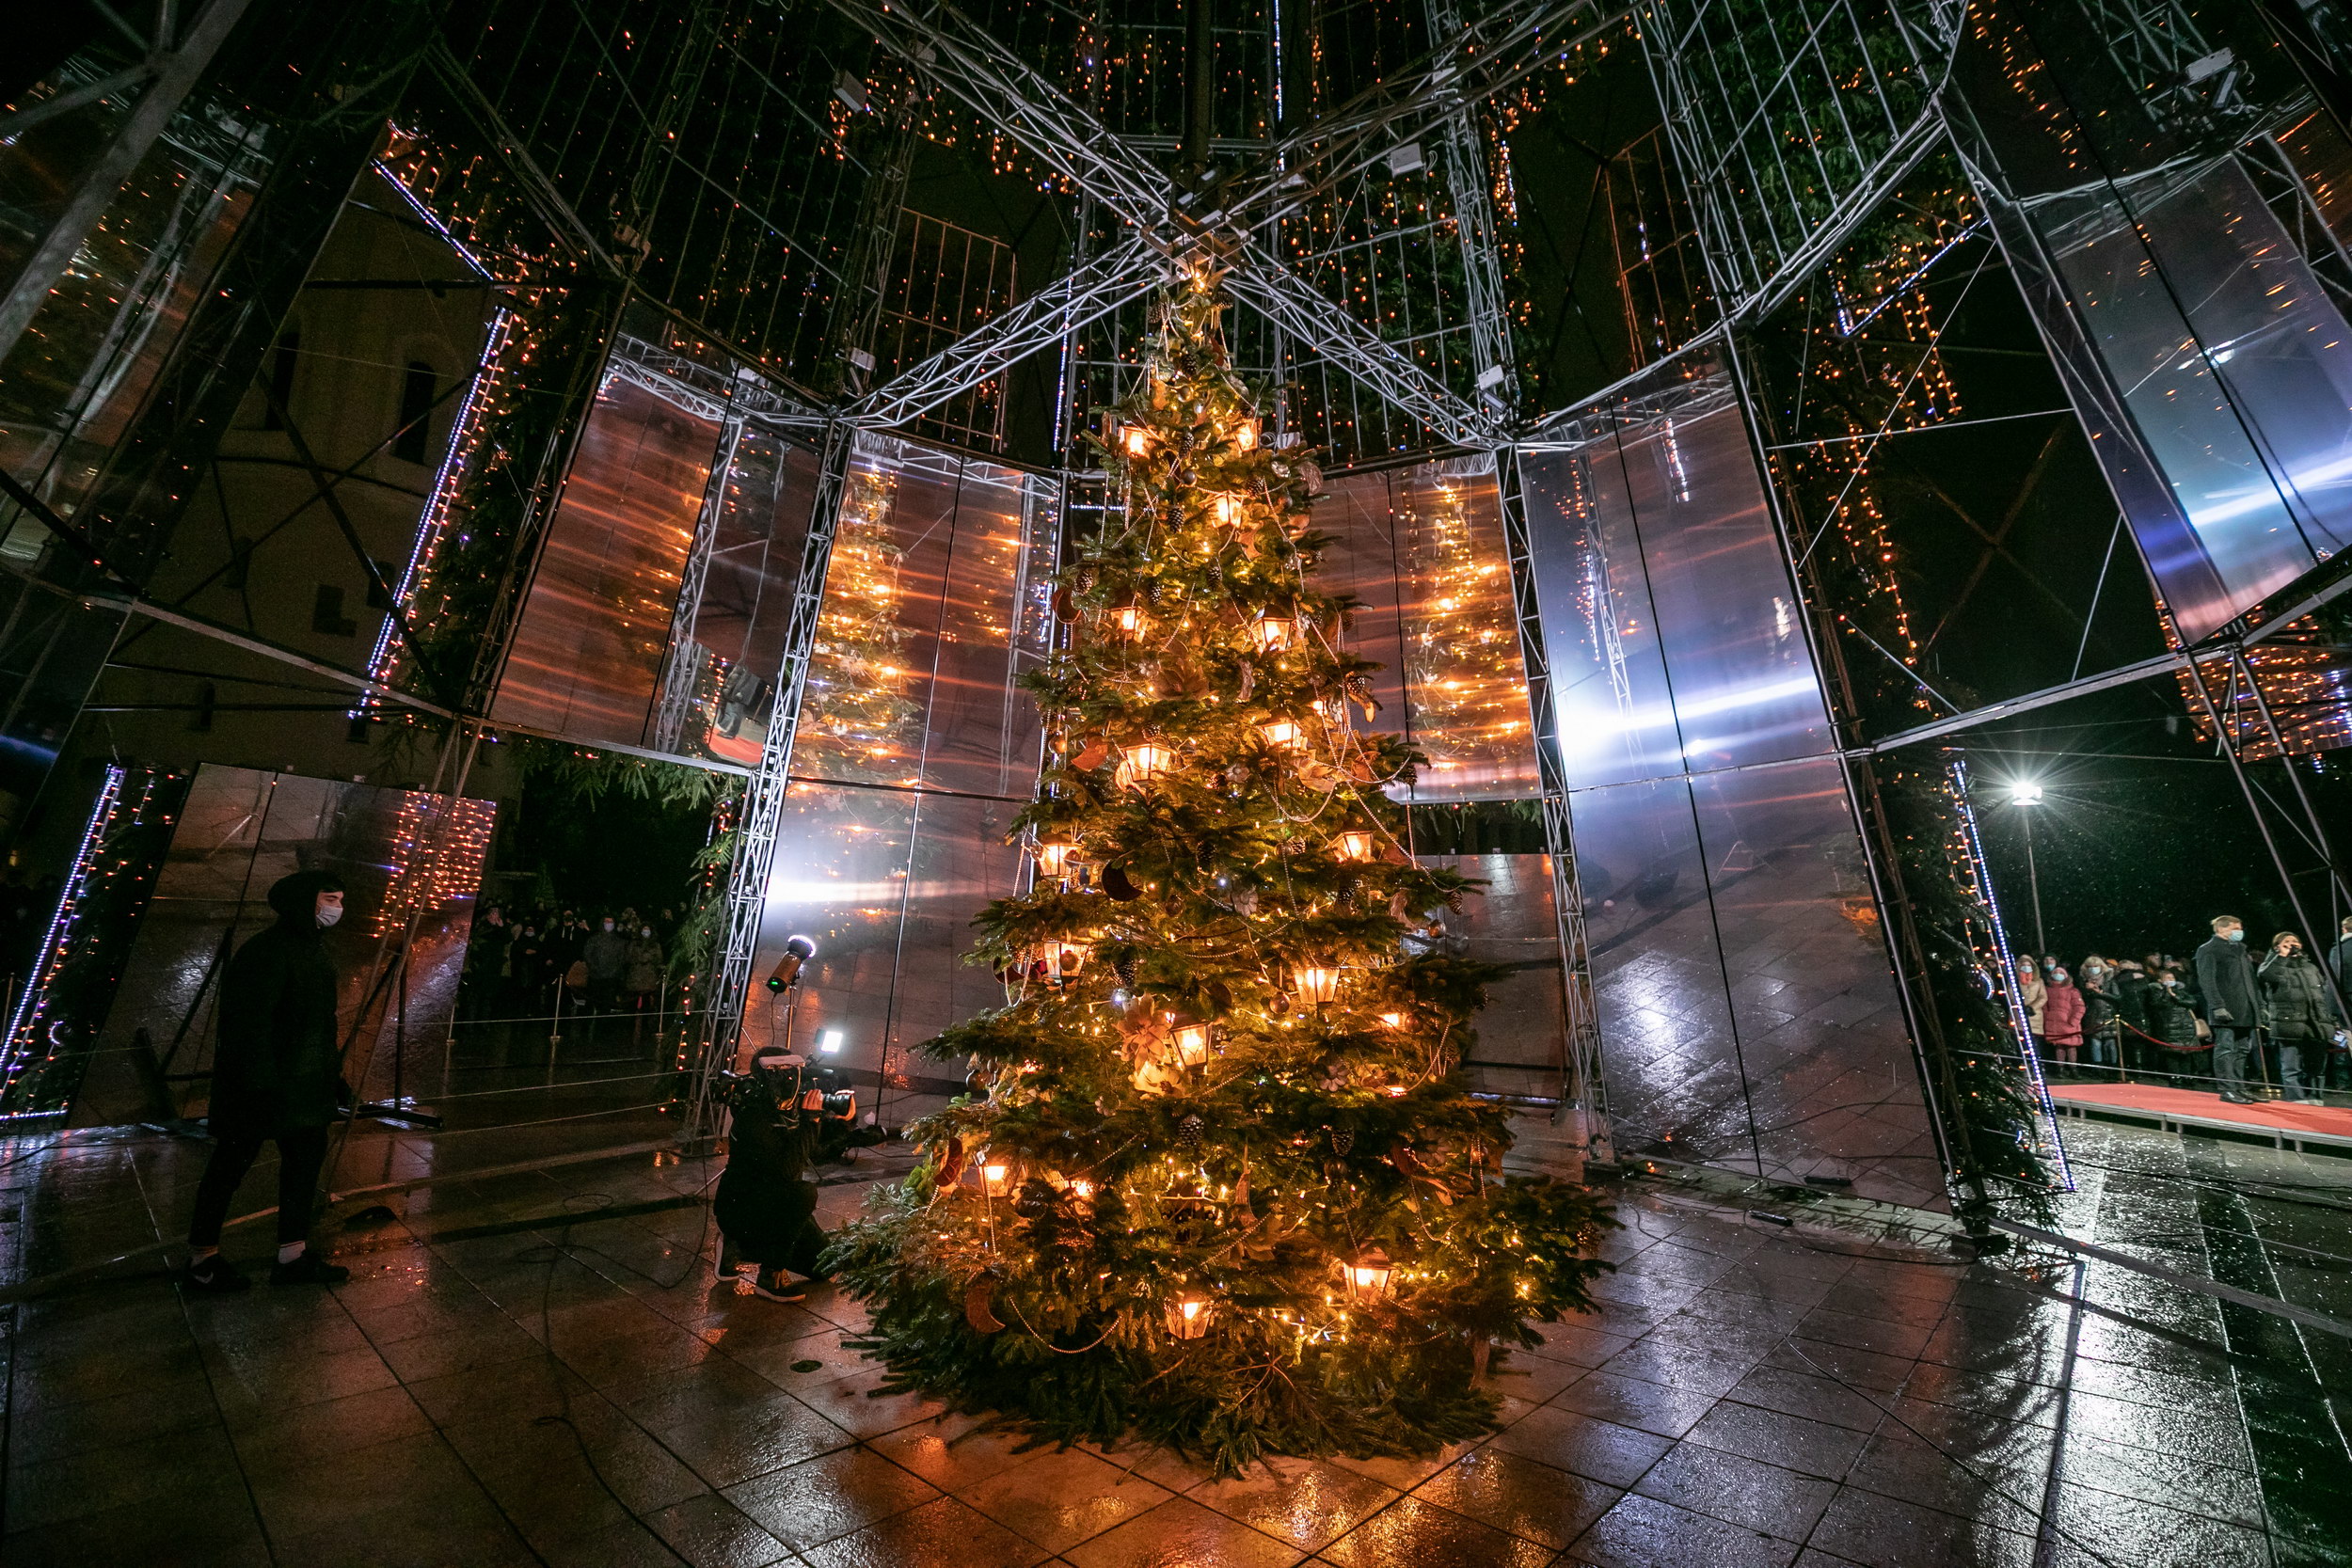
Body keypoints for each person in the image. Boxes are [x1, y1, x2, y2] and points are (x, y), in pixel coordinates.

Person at [183, 870, 354, 1291]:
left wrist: (332, 1076)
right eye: (330, 899)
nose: (337, 908)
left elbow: (320, 1024)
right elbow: (249, 1025)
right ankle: (202, 1260)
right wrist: (259, 1083)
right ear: (305, 902)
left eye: (339, 900)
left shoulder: (313, 949)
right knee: (229, 1167)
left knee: (303, 1168)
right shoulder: (267, 951)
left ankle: (292, 1256)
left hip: (304, 1086)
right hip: (265, 1088)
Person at [714, 1045, 834, 1301]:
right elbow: (787, 1169)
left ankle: (739, 1250)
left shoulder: (788, 1109)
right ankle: (770, 1274)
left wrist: (839, 1123)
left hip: (777, 1204)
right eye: (787, 1074)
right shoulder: (753, 1116)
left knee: (826, 1267)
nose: (794, 1081)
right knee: (803, 1193)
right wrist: (810, 1121)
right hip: (743, 1209)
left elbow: (815, 1150)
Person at [2195, 915, 2263, 1105]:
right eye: (2235, 928)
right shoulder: (2208, 949)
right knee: (2225, 1049)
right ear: (2221, 929)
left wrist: (2259, 1005)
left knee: (2242, 1049)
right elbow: (2207, 981)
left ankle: (2239, 1087)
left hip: (2245, 1008)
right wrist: (2217, 1005)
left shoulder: (2240, 950)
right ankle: (2227, 1089)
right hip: (2226, 1008)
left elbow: (2251, 981)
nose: (2239, 932)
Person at [2258, 931, 2331, 1105]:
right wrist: (2281, 957)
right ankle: (2296, 1099)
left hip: (2315, 1022)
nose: (2292, 943)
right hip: (2288, 1021)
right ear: (2277, 946)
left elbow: (2323, 993)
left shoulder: (2310, 967)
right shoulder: (2272, 965)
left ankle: (2315, 1097)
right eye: (2286, 941)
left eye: (2295, 941)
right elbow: (2266, 975)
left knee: (2316, 1065)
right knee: (2291, 1065)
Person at [2140, 967, 2205, 1087]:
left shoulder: (2181, 991)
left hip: (2186, 1026)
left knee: (2186, 1053)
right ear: (2160, 980)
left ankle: (2187, 1077)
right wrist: (2167, 993)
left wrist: (2175, 996)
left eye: (2172, 978)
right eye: (2168, 978)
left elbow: (2192, 1003)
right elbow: (2158, 1005)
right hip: (2169, 1027)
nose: (2171, 980)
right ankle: (2175, 1078)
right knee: (2172, 1054)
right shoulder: (2155, 992)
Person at [2079, 956, 2123, 1079]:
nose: (2093, 969)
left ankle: (2113, 1068)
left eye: (2096, 966)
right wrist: (2087, 990)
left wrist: (2101, 993)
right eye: (2090, 967)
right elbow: (2082, 998)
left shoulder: (2110, 980)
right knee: (2095, 1043)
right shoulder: (2083, 981)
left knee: (2110, 1043)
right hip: (2093, 1015)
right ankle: (2098, 1068)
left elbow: (2118, 997)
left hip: (2108, 1014)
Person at [2042, 960, 2084, 1078]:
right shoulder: (2047, 990)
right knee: (2059, 1046)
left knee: (2071, 1046)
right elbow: (2045, 1006)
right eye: (2056, 973)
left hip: (2069, 1022)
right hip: (2054, 1023)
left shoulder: (2073, 991)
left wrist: (2074, 1021)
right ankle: (2060, 1069)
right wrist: (2048, 1017)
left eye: (2061, 973)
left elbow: (2079, 1007)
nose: (2058, 975)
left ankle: (2073, 1069)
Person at [582, 914, 628, 1015]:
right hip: (595, 977)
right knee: (591, 1003)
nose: (609, 924)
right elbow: (587, 955)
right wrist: (595, 968)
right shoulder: (594, 939)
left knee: (607, 1005)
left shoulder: (619, 941)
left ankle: (603, 1022)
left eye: (611, 922)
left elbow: (622, 959)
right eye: (607, 922)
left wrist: (613, 971)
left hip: (611, 978)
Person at [623, 924, 664, 1014]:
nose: (646, 931)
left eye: (647, 929)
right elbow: (627, 957)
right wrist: (638, 959)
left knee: (646, 1003)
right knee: (632, 1004)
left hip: (649, 977)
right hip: (635, 977)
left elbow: (659, 959)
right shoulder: (634, 943)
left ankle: (645, 1020)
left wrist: (649, 958)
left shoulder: (655, 945)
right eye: (644, 929)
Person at [2014, 955, 2047, 1054]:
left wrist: (2032, 1007)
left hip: (2035, 1016)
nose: (2026, 968)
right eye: (2023, 965)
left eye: (2028, 965)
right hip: (2018, 1017)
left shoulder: (2038, 981)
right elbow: (2011, 995)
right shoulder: (2014, 981)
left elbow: (2043, 997)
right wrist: (2021, 1007)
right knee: (2021, 1046)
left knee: (2036, 1046)